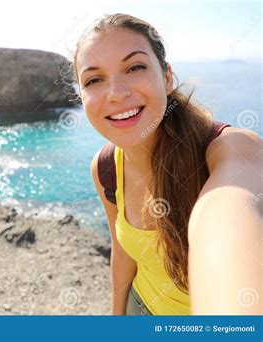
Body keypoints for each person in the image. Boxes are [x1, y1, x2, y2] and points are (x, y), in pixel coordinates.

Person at [73, 13, 262, 315]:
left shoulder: (231, 148)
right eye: (94, 79)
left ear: (166, 77)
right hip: (140, 306)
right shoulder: (105, 167)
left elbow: (227, 211)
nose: (116, 93)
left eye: (134, 67)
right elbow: (123, 252)